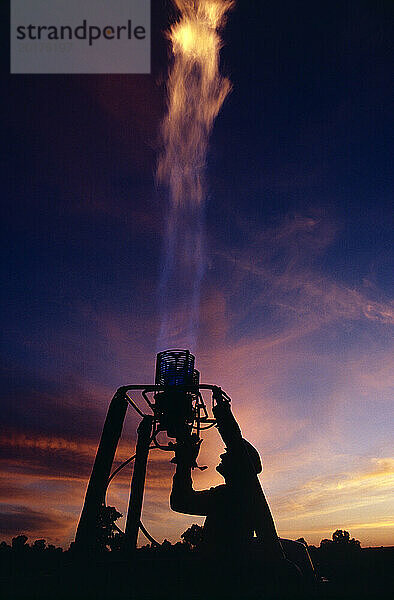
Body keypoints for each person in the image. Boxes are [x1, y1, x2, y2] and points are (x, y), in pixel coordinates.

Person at [170, 387, 285, 559]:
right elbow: (180, 502)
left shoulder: (231, 497)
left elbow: (181, 502)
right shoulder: (240, 495)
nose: (223, 454)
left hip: (222, 575)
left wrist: (184, 463)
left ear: (240, 465)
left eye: (229, 453)